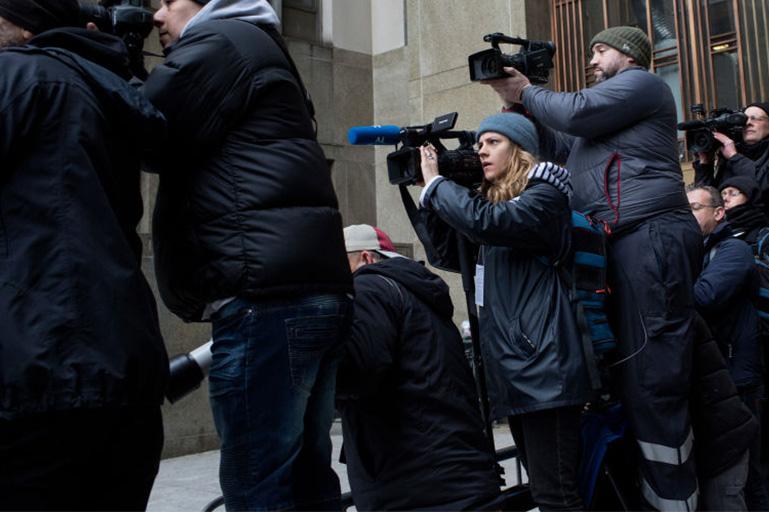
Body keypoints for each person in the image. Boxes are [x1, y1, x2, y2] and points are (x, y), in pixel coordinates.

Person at [142, 1, 353, 509]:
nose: (157, 16)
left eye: (167, 2)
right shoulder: (255, 44)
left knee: (258, 488)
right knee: (305, 481)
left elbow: (143, 130)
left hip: (267, 297)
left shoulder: (220, 43)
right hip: (302, 290)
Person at [483, 26, 703, 509]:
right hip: (622, 241)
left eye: (600, 50)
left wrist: (528, 91)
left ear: (629, 55)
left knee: (653, 380)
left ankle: (674, 501)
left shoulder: (644, 84)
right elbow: (562, 145)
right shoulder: (605, 121)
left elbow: (577, 113)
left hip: (649, 234)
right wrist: (521, 110)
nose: (592, 59)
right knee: (628, 381)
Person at [0, 1, 169, 508]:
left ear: (22, 23)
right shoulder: (107, 92)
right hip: (123, 381)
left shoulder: (16, 74)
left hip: (36, 379)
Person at [418, 113, 590, 511]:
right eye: (479, 144)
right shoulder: (493, 209)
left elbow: (489, 223)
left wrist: (439, 186)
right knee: (546, 492)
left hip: (547, 369)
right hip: (518, 367)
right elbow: (447, 253)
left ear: (520, 150)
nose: (481, 150)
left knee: (557, 496)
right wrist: (432, 194)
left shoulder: (545, 196)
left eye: (493, 141)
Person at [336, 224, 502, 511]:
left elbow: (358, 372)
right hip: (454, 477)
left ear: (366, 257)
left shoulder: (369, 286)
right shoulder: (419, 296)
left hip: (416, 487)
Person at [718, 175, 769, 509]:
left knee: (768, 445)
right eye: (722, 194)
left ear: (750, 197)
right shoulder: (718, 239)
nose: (726, 198)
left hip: (767, 349)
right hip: (736, 347)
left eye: (733, 193)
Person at [687, 184, 764, 510]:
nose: (686, 215)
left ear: (718, 213)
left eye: (694, 207)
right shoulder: (694, 252)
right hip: (707, 380)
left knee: (740, 480)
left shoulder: (734, 250)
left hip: (736, 379)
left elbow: (705, 297)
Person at [693, 101, 769, 240]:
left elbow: (763, 183)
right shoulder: (730, 157)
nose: (748, 123)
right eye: (745, 119)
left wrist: (734, 156)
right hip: (729, 240)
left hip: (767, 245)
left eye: (755, 119)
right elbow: (710, 199)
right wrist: (705, 164)